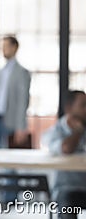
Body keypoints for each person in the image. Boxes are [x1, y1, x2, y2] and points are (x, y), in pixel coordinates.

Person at [42, 90, 86, 219]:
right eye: (83, 105)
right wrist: (78, 131)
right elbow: (66, 148)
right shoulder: (55, 131)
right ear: (69, 108)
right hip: (66, 188)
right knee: (67, 208)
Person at [0, 36, 31, 149]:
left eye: (6, 46)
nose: (3, 49)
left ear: (15, 47)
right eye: (2, 47)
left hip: (10, 122)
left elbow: (23, 101)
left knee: (9, 156)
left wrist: (21, 127)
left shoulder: (22, 73)